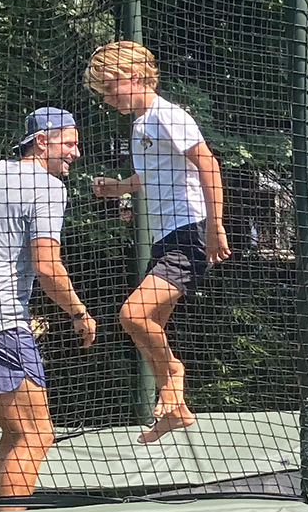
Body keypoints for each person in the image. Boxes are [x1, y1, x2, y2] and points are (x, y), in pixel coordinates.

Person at [0, 107, 97, 505]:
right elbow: (46, 265)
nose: (76, 153)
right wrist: (79, 312)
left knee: (16, 431)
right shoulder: (50, 188)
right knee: (35, 434)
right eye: (70, 143)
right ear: (42, 141)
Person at [85, 41, 228, 444]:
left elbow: (208, 164)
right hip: (165, 238)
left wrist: (215, 225)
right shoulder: (141, 124)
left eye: (110, 89)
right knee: (147, 328)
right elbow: (154, 178)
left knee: (132, 315)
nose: (108, 99)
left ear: (133, 77)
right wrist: (117, 187)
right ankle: (176, 410)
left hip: (191, 232)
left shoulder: (168, 115)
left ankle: (174, 376)